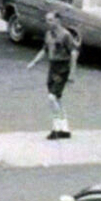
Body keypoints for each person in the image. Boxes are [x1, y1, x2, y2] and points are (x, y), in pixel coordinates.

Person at [26, 11, 80, 139]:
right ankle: (65, 129)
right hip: (53, 67)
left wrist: (72, 72)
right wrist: (34, 62)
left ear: (57, 20)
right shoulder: (48, 34)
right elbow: (44, 50)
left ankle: (56, 128)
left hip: (62, 67)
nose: (48, 23)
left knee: (52, 97)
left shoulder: (65, 35)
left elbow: (73, 53)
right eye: (46, 20)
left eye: (50, 20)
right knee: (58, 98)